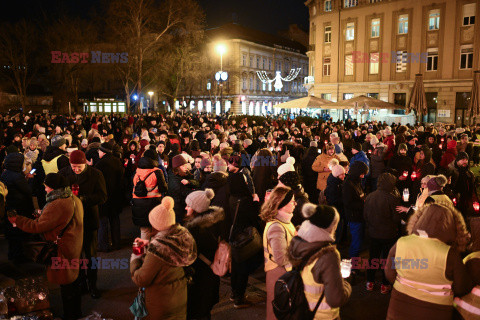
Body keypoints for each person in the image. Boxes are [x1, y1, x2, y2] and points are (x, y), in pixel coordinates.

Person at [11, 173, 84, 320]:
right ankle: (76, 313)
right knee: (73, 282)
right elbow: (61, 221)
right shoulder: (73, 198)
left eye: (46, 186)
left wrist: (16, 220)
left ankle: (71, 315)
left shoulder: (57, 204)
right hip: (74, 245)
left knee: (66, 286)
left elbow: (37, 227)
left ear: (54, 188)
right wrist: (43, 215)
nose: (44, 189)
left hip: (62, 250)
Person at [385, 203, 473, 320]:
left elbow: (389, 273)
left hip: (399, 307)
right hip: (436, 312)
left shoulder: (402, 243)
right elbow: (461, 287)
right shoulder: (450, 254)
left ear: (419, 219)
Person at [130, 196, 197, 320]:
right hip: (180, 296)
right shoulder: (181, 235)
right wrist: (149, 243)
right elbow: (170, 251)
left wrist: (135, 257)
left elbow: (141, 279)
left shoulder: (158, 250)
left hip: (162, 302)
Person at [288, 203, 352, 319]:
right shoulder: (328, 256)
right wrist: (346, 285)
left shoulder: (298, 243)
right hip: (323, 315)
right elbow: (335, 299)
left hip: (301, 310)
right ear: (330, 227)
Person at [59, 150, 107, 299]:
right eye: (73, 166)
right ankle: (81, 284)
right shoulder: (63, 173)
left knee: (90, 255)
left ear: (85, 163)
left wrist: (83, 199)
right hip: (72, 222)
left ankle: (93, 284)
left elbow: (103, 196)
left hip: (89, 219)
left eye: (79, 166)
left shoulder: (96, 174)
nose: (76, 169)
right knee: (76, 256)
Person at [184, 188, 226, 320]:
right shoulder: (214, 221)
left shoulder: (197, 230)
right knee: (205, 310)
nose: (186, 208)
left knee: (198, 310)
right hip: (211, 276)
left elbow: (190, 255)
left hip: (200, 278)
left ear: (197, 209)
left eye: (189, 206)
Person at [260, 186, 296, 320]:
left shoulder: (282, 222)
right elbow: (281, 258)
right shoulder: (276, 227)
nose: (295, 203)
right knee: (278, 311)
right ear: (282, 204)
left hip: (280, 273)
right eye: (292, 201)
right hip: (279, 274)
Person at [364, 172, 401, 294]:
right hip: (388, 234)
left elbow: (365, 215)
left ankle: (370, 282)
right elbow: (396, 218)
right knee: (386, 259)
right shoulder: (392, 199)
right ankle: (385, 285)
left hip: (373, 233)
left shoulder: (369, 196)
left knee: (373, 258)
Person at [0, 152, 35, 261]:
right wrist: (30, 179)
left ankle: (13, 254)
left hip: (10, 207)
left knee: (12, 232)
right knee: (18, 233)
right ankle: (18, 257)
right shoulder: (17, 176)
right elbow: (28, 191)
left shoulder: (5, 173)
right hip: (19, 208)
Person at [132, 147, 168, 240]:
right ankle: (153, 251)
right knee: (155, 229)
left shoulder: (137, 171)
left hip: (138, 203)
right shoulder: (157, 172)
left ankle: (143, 252)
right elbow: (163, 188)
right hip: (153, 203)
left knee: (144, 230)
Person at [95, 142, 125, 251]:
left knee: (103, 221)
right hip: (116, 196)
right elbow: (122, 181)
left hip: (104, 197)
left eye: (99, 150)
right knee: (115, 220)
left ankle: (104, 245)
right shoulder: (117, 162)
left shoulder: (99, 164)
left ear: (103, 151)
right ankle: (117, 243)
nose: (98, 152)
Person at [454, 217, 480, 319]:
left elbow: (460, 286)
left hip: (465, 312)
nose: (468, 235)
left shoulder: (473, 260)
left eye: (470, 232)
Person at [343, 161, 369, 261]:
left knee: (359, 241)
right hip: (354, 217)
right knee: (356, 243)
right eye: (362, 174)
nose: (363, 176)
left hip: (360, 216)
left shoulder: (356, 181)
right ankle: (353, 267)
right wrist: (363, 204)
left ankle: (355, 262)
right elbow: (348, 203)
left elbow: (361, 194)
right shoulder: (348, 185)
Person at [168, 154, 199, 224]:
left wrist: (189, 182)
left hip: (183, 207)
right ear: (177, 168)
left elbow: (197, 183)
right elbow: (185, 192)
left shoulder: (184, 174)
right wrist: (199, 193)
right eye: (183, 166)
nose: (185, 168)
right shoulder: (174, 180)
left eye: (185, 165)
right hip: (178, 209)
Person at [449, 152, 478, 218]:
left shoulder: (469, 173)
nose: (465, 161)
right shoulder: (451, 171)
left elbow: (472, 188)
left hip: (466, 202)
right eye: (462, 160)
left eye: (466, 160)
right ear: (457, 160)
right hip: (455, 202)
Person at [325, 164, 346, 243]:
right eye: (342, 174)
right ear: (337, 175)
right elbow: (333, 200)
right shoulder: (333, 186)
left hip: (339, 209)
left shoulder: (338, 182)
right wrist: (344, 200)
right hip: (337, 210)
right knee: (337, 228)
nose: (344, 175)